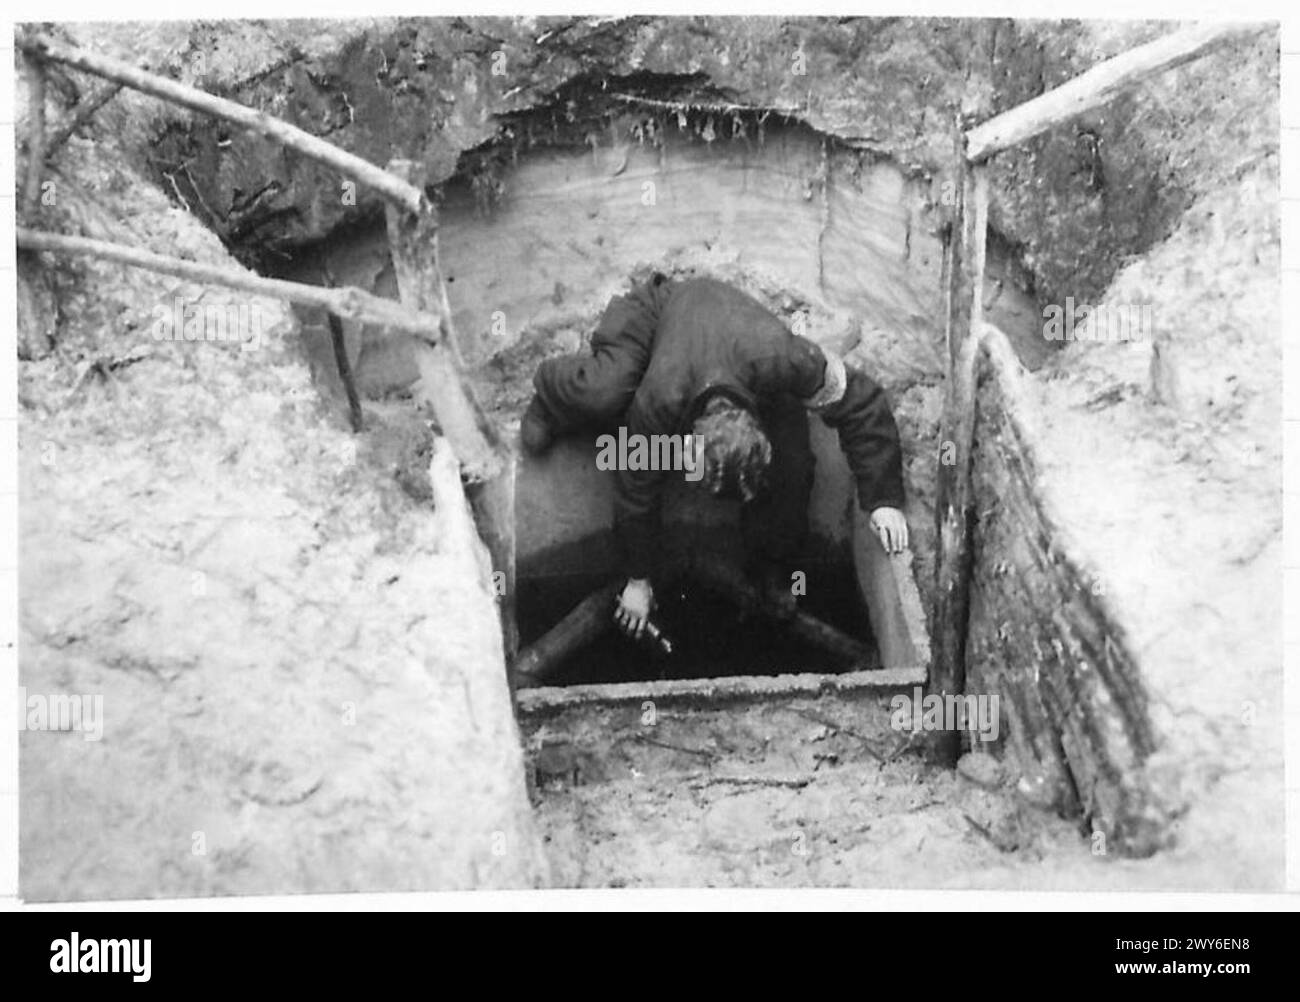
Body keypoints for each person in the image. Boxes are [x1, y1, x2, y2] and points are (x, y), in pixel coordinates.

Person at [521, 273, 908, 640]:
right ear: (687, 445)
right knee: (603, 392)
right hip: (662, 315)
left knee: (794, 468)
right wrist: (638, 579)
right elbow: (634, 484)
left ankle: (768, 567)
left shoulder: (787, 361)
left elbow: (861, 401)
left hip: (743, 342)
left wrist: (884, 498)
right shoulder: (662, 398)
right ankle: (552, 400)